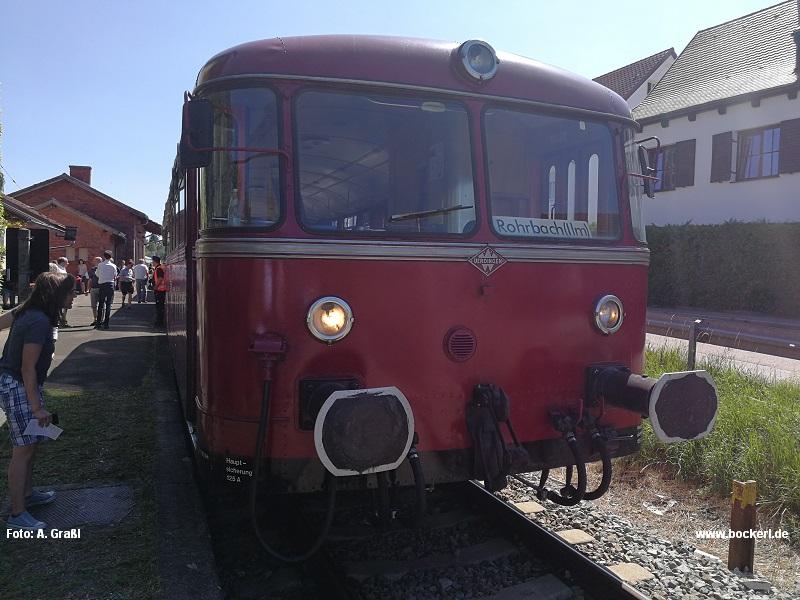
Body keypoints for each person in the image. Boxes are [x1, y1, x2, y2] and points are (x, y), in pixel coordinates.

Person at [0, 272, 77, 530]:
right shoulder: (38, 321)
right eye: (70, 292)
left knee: (31, 444)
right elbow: (27, 367)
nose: (74, 296)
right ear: (56, 295)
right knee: (22, 451)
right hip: (19, 385)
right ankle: (17, 514)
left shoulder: (29, 311)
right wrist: (36, 407)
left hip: (19, 384)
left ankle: (28, 495)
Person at [95, 251, 117, 330]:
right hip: (110, 285)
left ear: (104, 257)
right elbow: (115, 275)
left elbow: (97, 274)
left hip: (102, 285)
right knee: (108, 304)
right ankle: (106, 323)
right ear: (110, 257)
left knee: (101, 304)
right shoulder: (113, 266)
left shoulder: (100, 265)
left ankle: (98, 323)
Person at [152, 256, 167, 328]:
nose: (152, 263)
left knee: (159, 307)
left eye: (152, 261)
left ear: (155, 261)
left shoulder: (158, 269)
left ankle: (159, 322)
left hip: (159, 290)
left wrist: (155, 287)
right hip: (162, 290)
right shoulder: (161, 267)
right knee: (160, 307)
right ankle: (159, 321)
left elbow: (160, 278)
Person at [55, 257, 70, 327]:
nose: (68, 263)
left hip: (65, 289)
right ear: (63, 262)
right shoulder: (57, 269)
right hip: (59, 289)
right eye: (67, 262)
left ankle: (63, 320)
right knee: (60, 306)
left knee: (65, 306)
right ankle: (60, 321)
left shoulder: (63, 269)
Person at [86, 257, 101, 326]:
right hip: (93, 288)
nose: (93, 262)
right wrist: (88, 289)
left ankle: (100, 319)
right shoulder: (92, 270)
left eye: (95, 261)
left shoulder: (103, 269)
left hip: (101, 288)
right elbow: (90, 280)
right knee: (94, 305)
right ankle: (95, 319)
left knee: (101, 305)